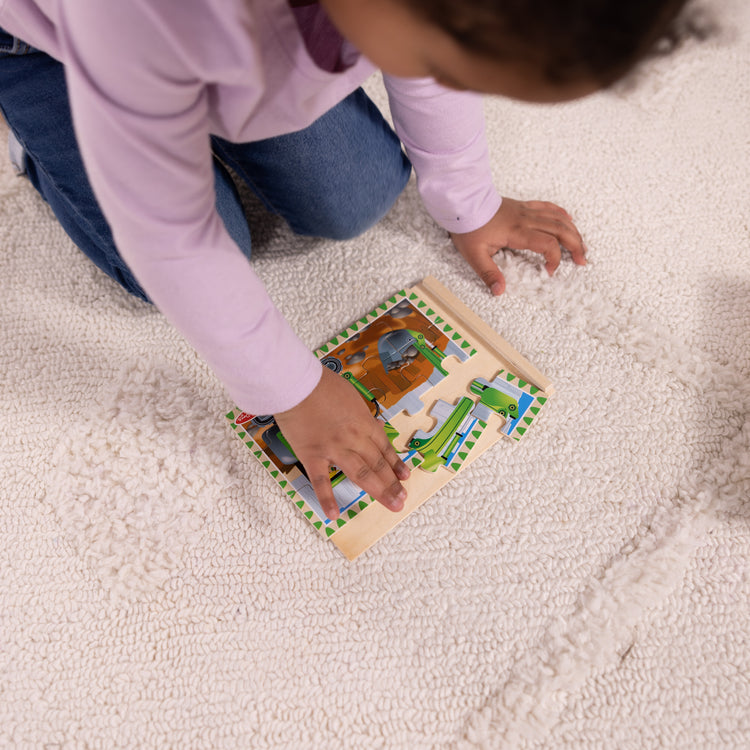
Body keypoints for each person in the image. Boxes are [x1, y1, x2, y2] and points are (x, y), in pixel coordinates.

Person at [0, 0, 691, 520]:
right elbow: (170, 234)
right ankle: (45, 142)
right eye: (450, 61)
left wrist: (469, 200)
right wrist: (290, 390)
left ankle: (189, 100)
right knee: (177, 260)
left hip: (240, 35)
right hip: (50, 43)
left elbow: (430, 68)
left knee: (357, 196)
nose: (443, 75)